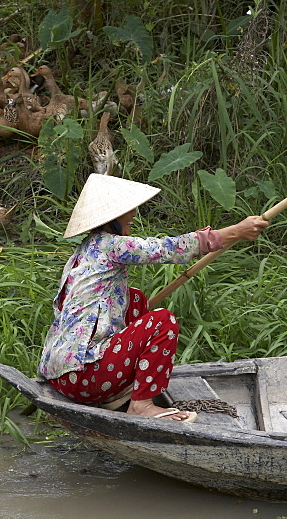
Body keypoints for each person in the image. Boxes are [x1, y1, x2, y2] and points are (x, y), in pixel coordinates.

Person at [38, 173, 268, 422]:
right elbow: (168, 249)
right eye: (129, 212)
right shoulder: (112, 245)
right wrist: (235, 231)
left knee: (135, 299)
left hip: (60, 374)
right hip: (85, 377)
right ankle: (142, 404)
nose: (133, 216)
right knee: (162, 321)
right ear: (113, 219)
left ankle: (124, 388)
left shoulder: (83, 252)